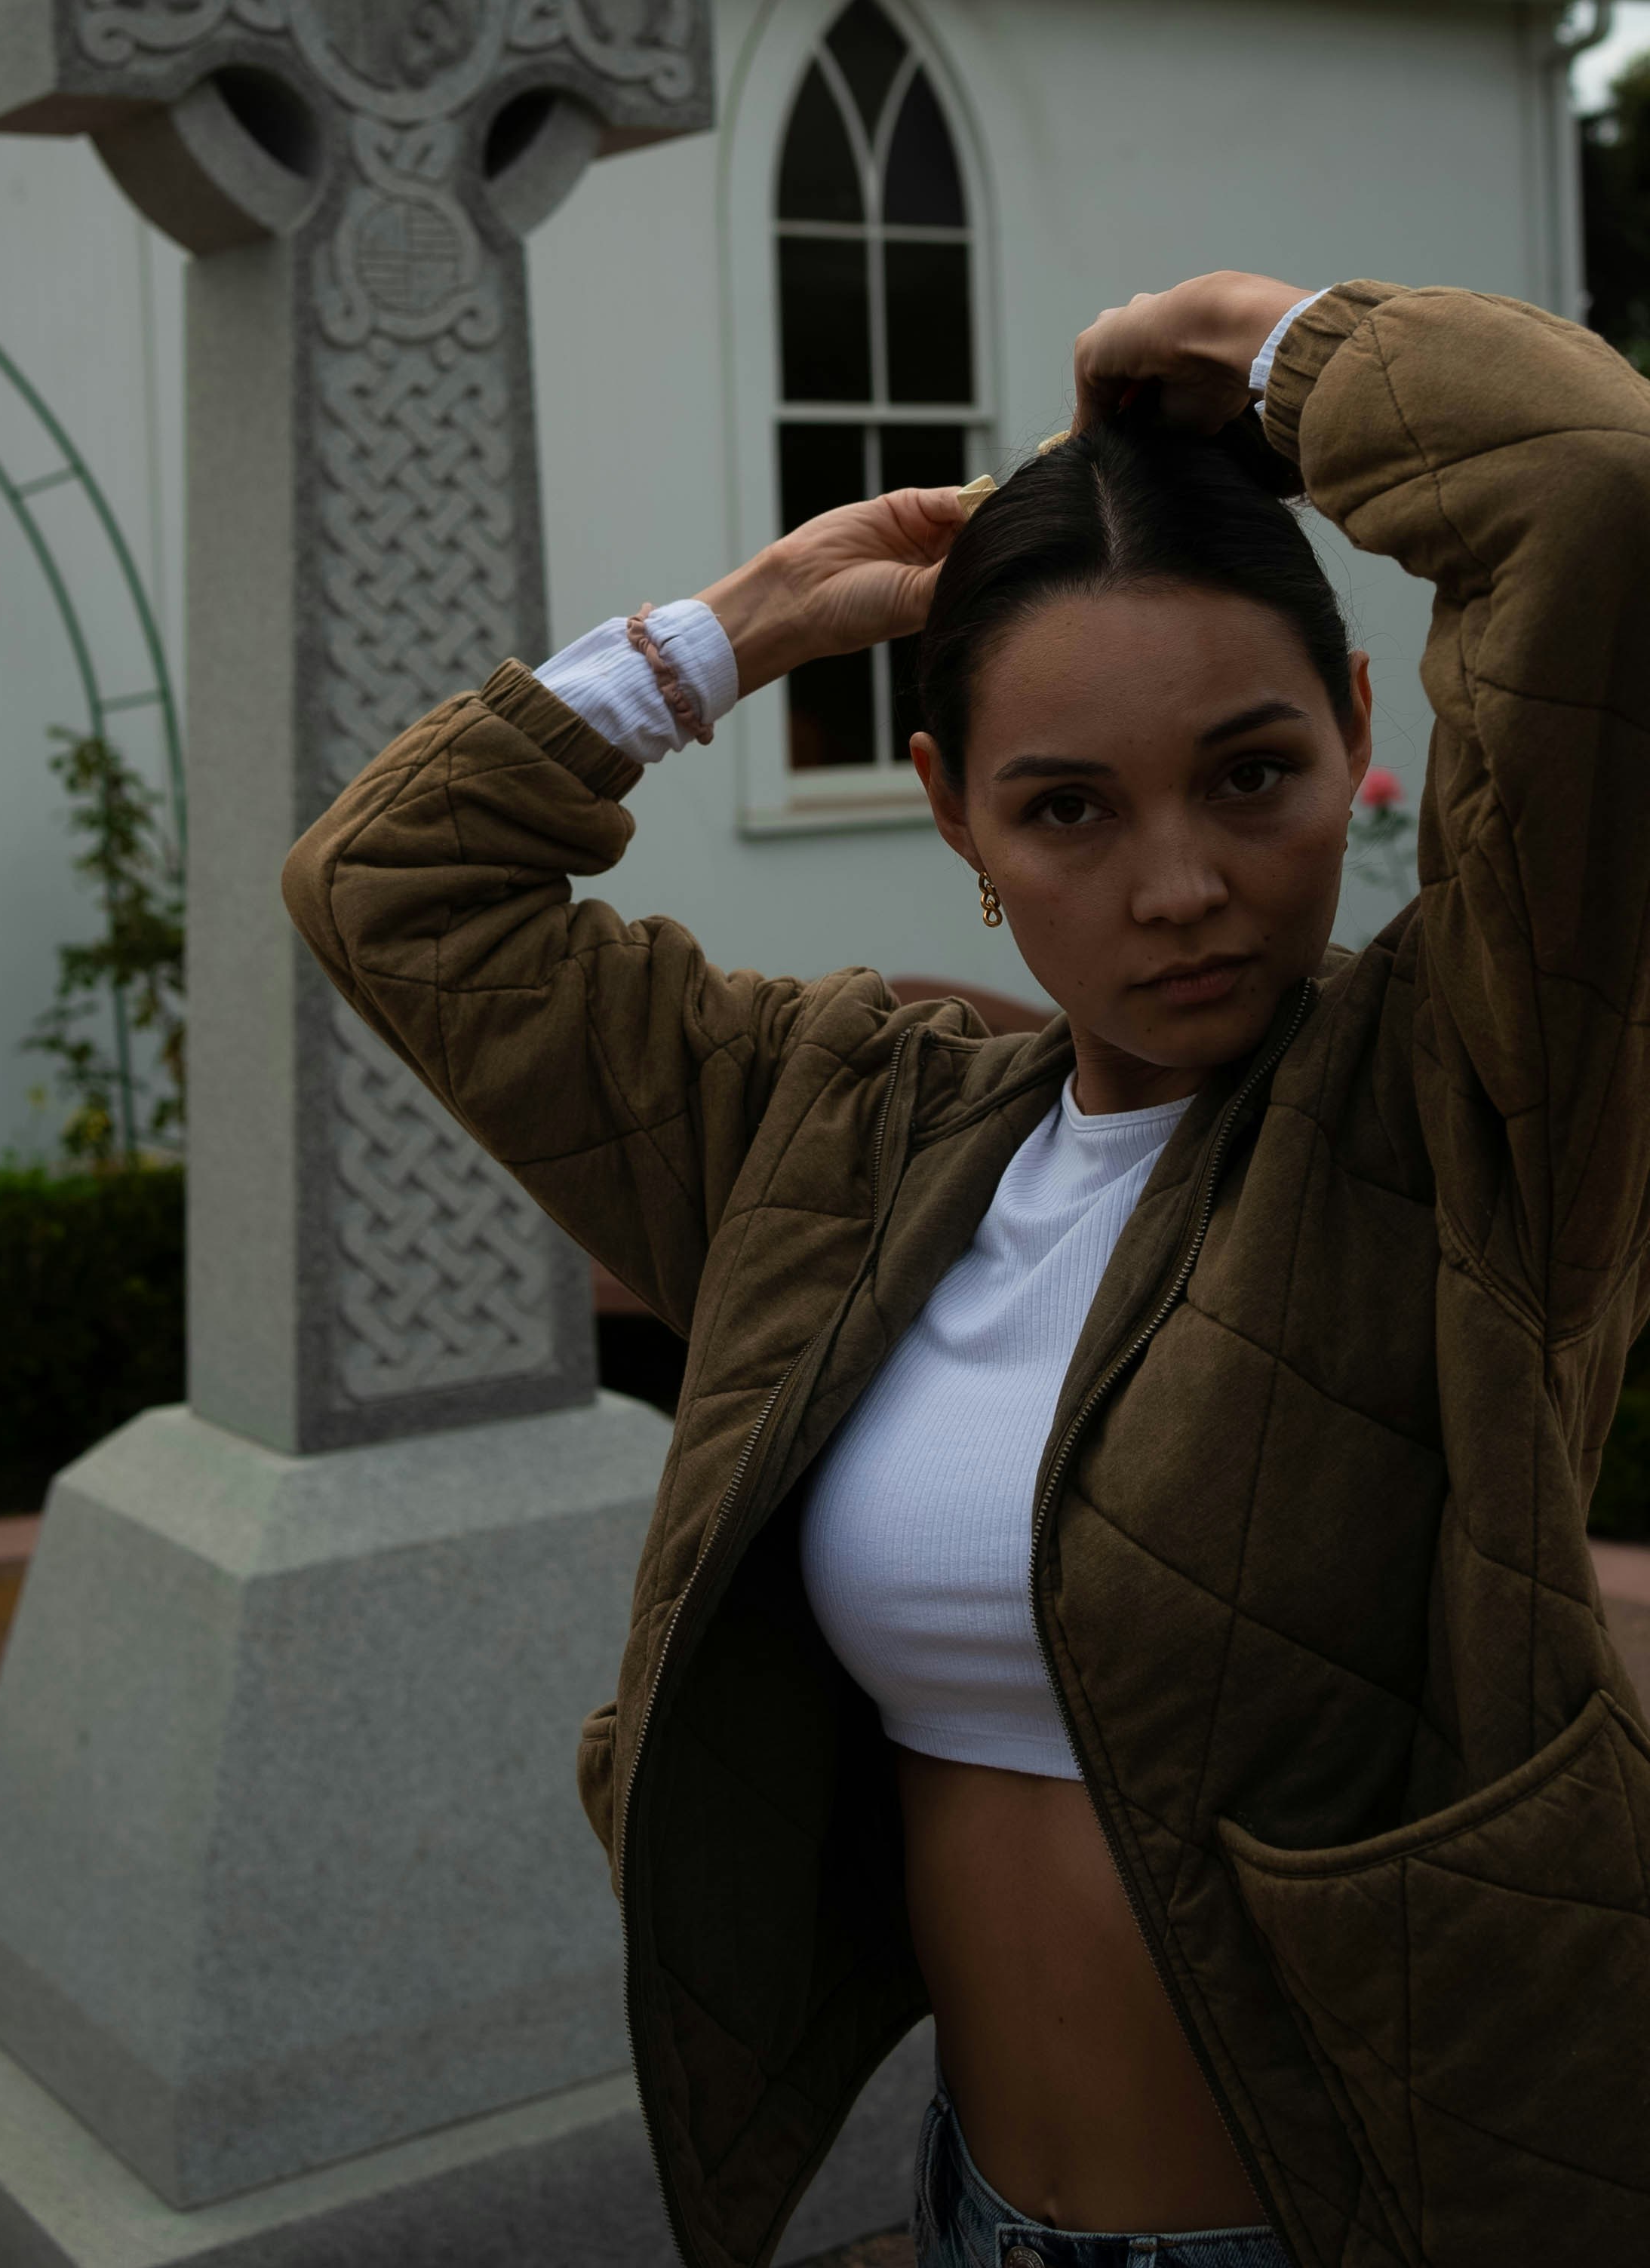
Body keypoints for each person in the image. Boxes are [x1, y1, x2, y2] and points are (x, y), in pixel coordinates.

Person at [283, 275, 1650, 2268]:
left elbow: (1601, 491)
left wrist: (1272, 347)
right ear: (955, 818)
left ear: (1360, 731)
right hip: (975, 2214)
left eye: (1251, 774)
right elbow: (392, 887)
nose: (1176, 884)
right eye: (1067, 808)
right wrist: (741, 626)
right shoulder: (833, 1135)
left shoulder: (1472, 1109)